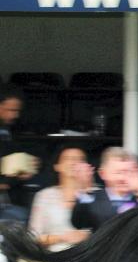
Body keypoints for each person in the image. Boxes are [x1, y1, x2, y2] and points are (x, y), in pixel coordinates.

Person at [28, 146, 92, 252]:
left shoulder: (97, 194)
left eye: (79, 159)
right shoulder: (44, 196)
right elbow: (34, 237)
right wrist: (62, 238)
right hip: (54, 256)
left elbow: (107, 233)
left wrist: (86, 236)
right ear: (57, 166)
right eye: (68, 158)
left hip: (90, 256)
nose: (74, 162)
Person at [0, 84, 39, 223]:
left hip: (8, 202)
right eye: (11, 110)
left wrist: (26, 167)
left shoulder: (8, 130)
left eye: (17, 111)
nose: (15, 115)